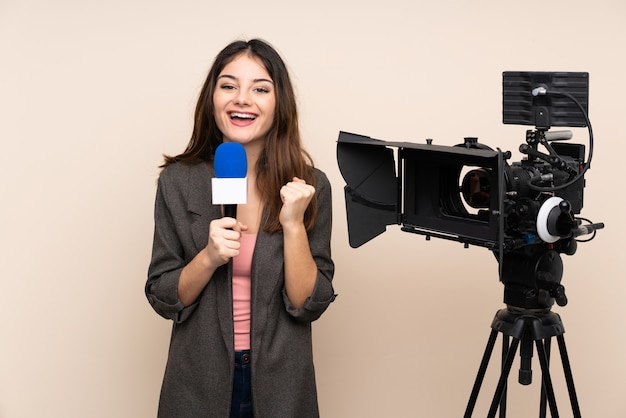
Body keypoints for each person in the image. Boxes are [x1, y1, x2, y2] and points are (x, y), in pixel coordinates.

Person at [146, 38, 336, 418]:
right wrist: (208, 257)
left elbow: (307, 304)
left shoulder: (310, 185)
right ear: (212, 98)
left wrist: (294, 225)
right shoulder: (179, 182)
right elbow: (163, 296)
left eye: (260, 89)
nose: (242, 99)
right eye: (229, 85)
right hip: (198, 385)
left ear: (279, 102)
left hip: (281, 386)